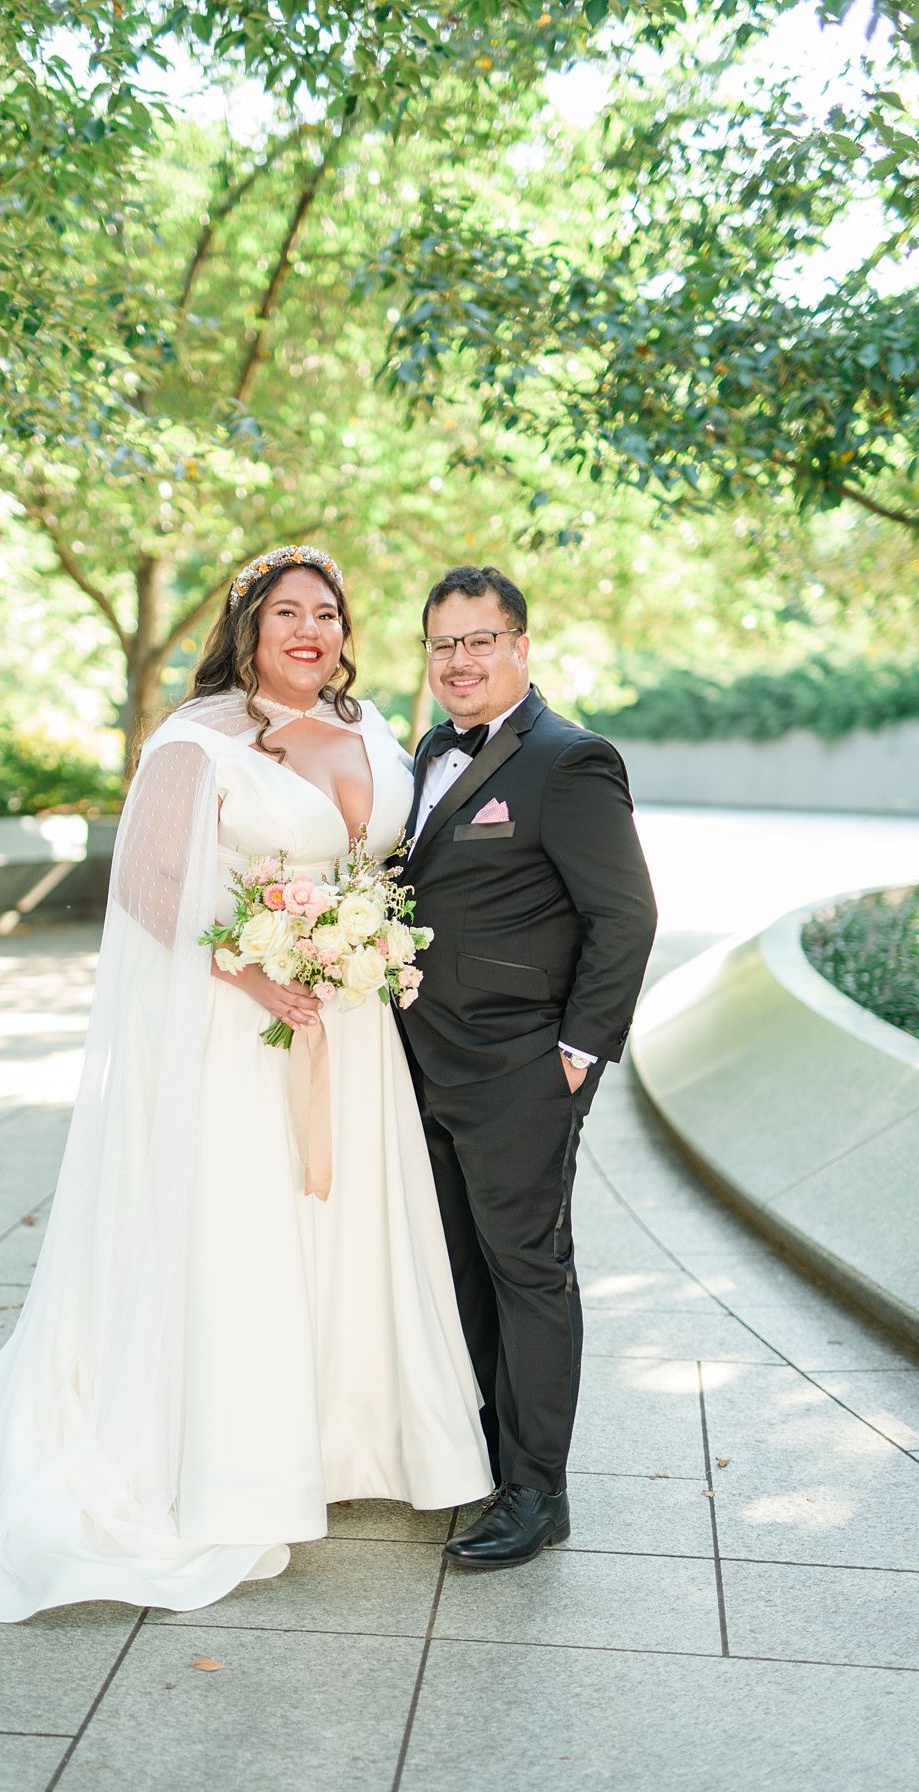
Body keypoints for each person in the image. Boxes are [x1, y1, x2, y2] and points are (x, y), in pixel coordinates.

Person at [0, 545, 491, 1620]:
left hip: (356, 1029)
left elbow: (385, 870)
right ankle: (243, 1457)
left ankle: (345, 1443)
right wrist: (259, 972)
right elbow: (150, 888)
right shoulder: (197, 739)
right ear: (246, 629)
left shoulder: (377, 729)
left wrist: (355, 949)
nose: (308, 630)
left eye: (326, 614)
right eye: (284, 612)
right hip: (242, 1028)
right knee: (249, 1230)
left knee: (346, 1231)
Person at [397, 565, 657, 1568]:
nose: (459, 660)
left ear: (520, 645)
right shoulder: (428, 749)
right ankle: (491, 1459)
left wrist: (575, 1058)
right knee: (463, 1274)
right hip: (424, 1066)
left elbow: (624, 916)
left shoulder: (569, 761)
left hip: (520, 1073)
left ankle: (539, 1492)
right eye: (442, 643)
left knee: (529, 1274)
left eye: (479, 639)